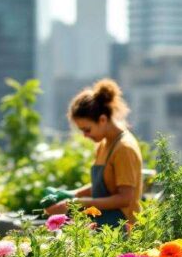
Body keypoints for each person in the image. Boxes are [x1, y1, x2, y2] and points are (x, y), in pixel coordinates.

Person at [45, 79, 143, 227]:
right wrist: (71, 194)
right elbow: (102, 186)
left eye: (87, 129)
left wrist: (78, 203)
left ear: (102, 120)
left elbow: (125, 199)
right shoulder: (104, 144)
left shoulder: (124, 148)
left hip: (124, 229)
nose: (85, 135)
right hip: (106, 225)